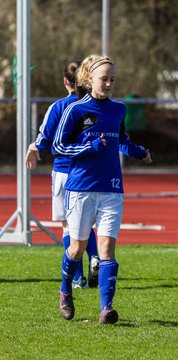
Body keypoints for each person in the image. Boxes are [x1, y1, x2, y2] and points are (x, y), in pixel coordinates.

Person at [53, 54, 152, 324]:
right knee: (76, 249)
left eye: (112, 79)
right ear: (89, 79)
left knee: (107, 248)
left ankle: (106, 308)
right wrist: (89, 147)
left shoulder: (119, 109)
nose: (108, 84)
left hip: (111, 188)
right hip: (81, 188)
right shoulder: (75, 111)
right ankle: (65, 290)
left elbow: (121, 139)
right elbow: (58, 147)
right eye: (104, 79)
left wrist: (138, 152)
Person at [25, 60, 100, 289]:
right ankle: (95, 257)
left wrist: (32, 147)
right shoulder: (94, 105)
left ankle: (77, 278)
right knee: (87, 224)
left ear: (65, 81)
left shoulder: (60, 106)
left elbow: (45, 139)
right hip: (88, 172)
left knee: (69, 226)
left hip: (64, 172)